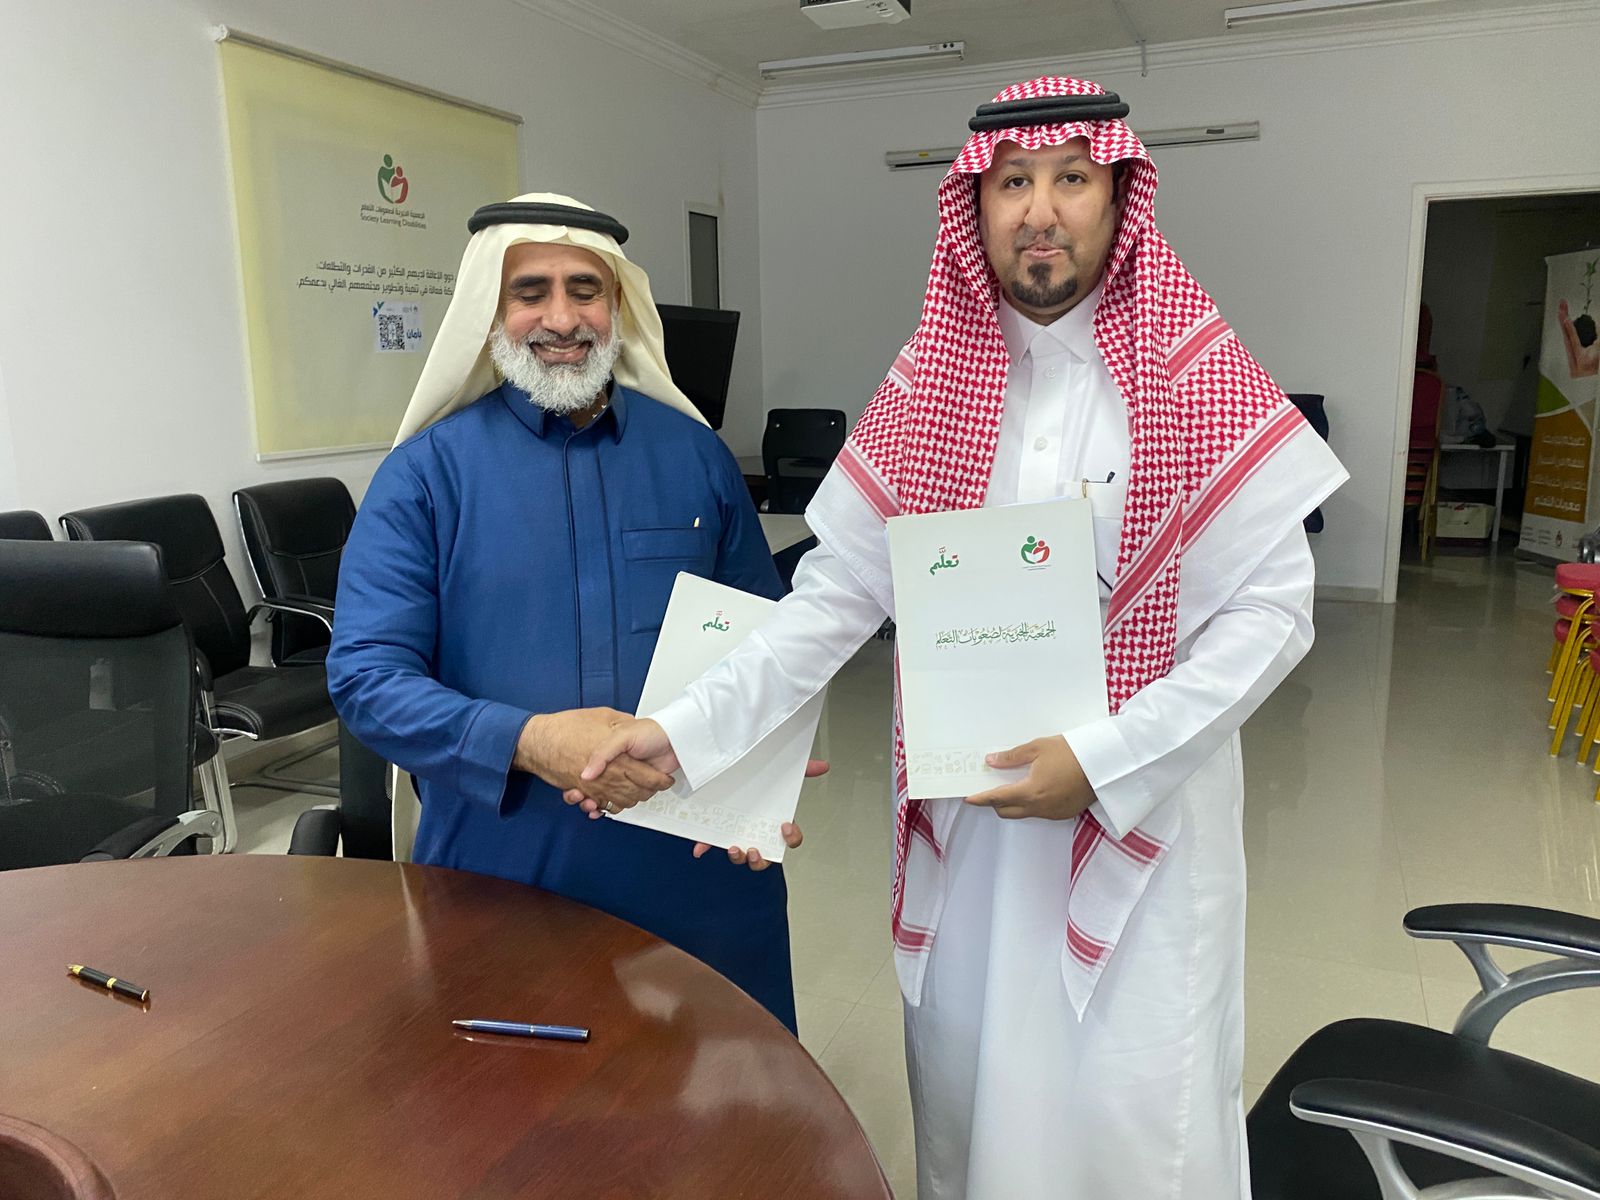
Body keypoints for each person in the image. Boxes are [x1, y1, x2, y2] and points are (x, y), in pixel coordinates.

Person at [576, 79, 1348, 1196]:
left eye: (1070, 179)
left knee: (1133, 1121)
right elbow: (829, 601)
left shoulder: (1197, 376)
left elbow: (1272, 616)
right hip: (971, 830)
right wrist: (684, 734)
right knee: (976, 1101)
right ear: (974, 208)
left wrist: (1104, 760)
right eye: (1012, 183)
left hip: (1143, 828)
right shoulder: (928, 386)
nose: (1040, 210)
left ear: (1117, 196)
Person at [326, 193, 804, 1032]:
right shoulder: (423, 478)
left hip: (699, 868)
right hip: (505, 878)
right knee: (521, 1110)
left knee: (729, 1100)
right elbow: (367, 680)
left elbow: (763, 646)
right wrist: (532, 741)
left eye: (585, 290)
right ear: (490, 312)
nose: (560, 318)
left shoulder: (696, 457)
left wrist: (766, 772)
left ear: (617, 305)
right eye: (530, 292)